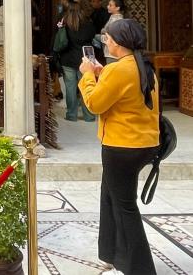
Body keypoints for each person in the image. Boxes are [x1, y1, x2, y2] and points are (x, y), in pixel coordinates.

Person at [78, 19, 159, 275]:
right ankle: (110, 253)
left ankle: (140, 268)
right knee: (110, 196)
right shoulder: (143, 66)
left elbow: (94, 104)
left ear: (119, 42)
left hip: (122, 146)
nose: (107, 43)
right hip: (142, 144)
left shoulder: (120, 69)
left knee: (124, 205)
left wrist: (88, 76)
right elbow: (125, 94)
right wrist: (102, 74)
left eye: (108, 39)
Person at [58, 2, 96, 122]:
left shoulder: (65, 24)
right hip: (85, 59)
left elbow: (60, 40)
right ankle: (89, 115)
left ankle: (71, 115)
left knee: (70, 87)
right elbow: (92, 37)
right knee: (86, 86)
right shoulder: (88, 23)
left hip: (68, 58)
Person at [102, 0, 126, 64]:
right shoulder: (113, 17)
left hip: (113, 53)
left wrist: (98, 37)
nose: (107, 6)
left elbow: (112, 37)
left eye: (110, 5)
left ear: (117, 8)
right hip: (111, 52)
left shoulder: (117, 20)